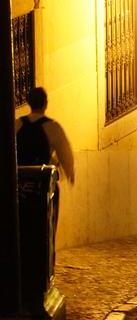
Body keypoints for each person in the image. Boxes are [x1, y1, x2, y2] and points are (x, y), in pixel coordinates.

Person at [15, 86, 75, 235]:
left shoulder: (17, 124)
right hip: (43, 185)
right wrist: (69, 173)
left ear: (29, 102)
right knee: (47, 227)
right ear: (45, 103)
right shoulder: (52, 127)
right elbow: (65, 152)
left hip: (20, 184)